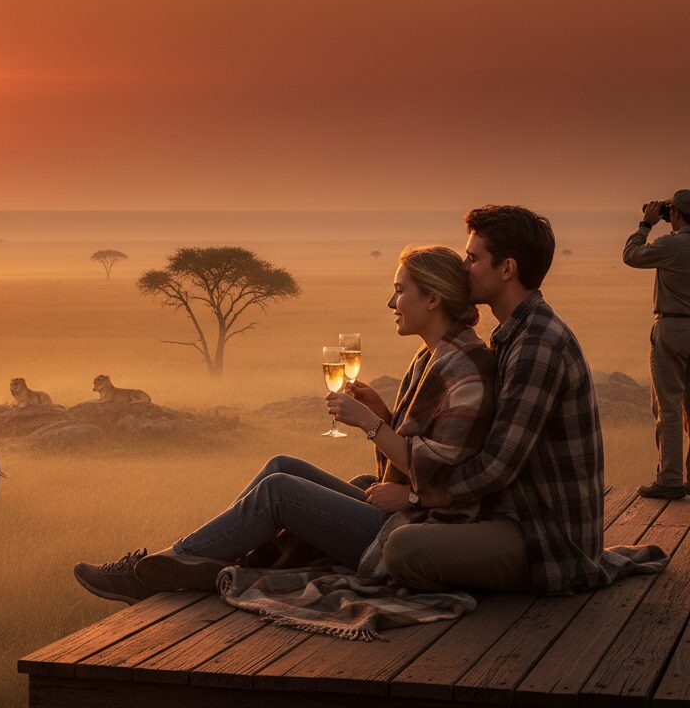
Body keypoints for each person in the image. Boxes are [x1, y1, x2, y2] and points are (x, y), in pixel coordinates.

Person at [72, 245, 495, 603]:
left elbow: (441, 475)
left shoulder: (464, 369)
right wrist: (385, 417)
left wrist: (371, 425)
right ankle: (201, 559)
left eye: (400, 291)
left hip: (417, 533)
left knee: (279, 491)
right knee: (281, 466)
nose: (391, 303)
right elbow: (420, 456)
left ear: (433, 299)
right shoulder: (433, 357)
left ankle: (152, 572)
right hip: (406, 511)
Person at [385, 205, 615, 594]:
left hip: (544, 538)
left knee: (403, 549)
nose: (463, 267)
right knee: (368, 493)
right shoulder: (514, 333)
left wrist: (421, 494)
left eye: (473, 258)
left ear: (507, 269)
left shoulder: (537, 343)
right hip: (510, 515)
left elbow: (496, 466)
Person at [623, 190, 690, 500]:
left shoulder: (670, 245)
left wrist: (646, 223)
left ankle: (671, 478)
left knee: (669, 407)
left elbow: (631, 255)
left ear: (674, 214)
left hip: (672, 327)